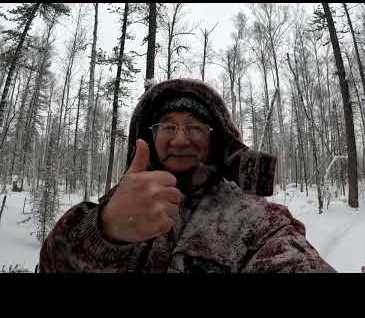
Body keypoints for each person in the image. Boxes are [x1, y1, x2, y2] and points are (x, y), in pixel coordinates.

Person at [39, 78, 335, 273]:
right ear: (150, 138)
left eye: (194, 127)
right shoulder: (117, 204)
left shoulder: (254, 220)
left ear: (215, 141)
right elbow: (51, 264)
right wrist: (103, 232)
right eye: (168, 127)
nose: (180, 140)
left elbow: (288, 258)